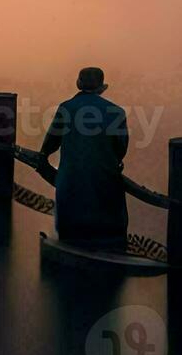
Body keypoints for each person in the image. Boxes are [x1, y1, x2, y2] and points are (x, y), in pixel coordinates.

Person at [37, 66, 129, 250]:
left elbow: (52, 141)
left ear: (78, 83)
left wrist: (43, 156)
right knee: (111, 209)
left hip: (71, 181)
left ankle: (70, 245)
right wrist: (115, 162)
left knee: (69, 207)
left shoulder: (67, 107)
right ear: (102, 87)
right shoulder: (116, 112)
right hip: (104, 180)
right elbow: (120, 148)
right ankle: (112, 247)